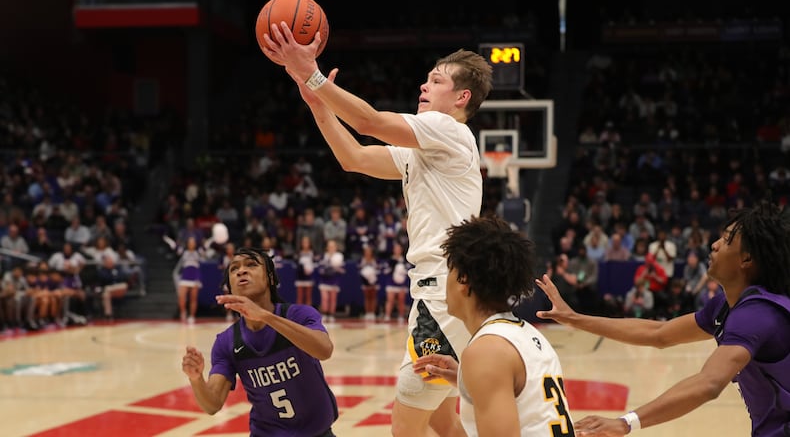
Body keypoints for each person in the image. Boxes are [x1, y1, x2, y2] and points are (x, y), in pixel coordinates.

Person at [263, 26, 493, 437]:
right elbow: (354, 157)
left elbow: (368, 121)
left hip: (443, 294)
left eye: (436, 80)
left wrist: (312, 75)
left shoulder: (448, 129)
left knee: (404, 427)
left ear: (462, 98)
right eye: (427, 78)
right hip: (446, 291)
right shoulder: (427, 148)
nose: (424, 85)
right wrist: (317, 103)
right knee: (442, 419)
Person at [535, 201, 790, 436]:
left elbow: (709, 383)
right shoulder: (725, 306)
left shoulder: (756, 315)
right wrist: (574, 319)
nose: (715, 244)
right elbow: (658, 334)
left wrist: (626, 423)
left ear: (746, 259)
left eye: (727, 240)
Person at [413, 215, 575, 436]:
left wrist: (479, 368)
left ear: (463, 279)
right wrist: (465, 377)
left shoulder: (487, 352)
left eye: (449, 270)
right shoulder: (526, 334)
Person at [181, 247, 338, 437]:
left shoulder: (299, 315)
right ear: (230, 286)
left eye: (251, 265)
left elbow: (324, 350)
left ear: (270, 278)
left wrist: (265, 316)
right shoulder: (226, 342)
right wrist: (196, 379)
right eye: (234, 268)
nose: (241, 271)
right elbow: (212, 405)